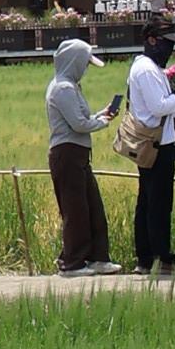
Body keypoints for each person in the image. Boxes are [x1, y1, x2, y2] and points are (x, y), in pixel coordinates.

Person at [45, 37, 117, 272]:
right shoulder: (63, 88)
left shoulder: (70, 86)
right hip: (67, 154)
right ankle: (73, 261)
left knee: (91, 206)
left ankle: (97, 257)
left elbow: (81, 120)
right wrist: (103, 122)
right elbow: (78, 124)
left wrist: (101, 114)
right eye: (85, 63)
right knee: (75, 208)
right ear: (74, 62)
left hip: (77, 153)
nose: (86, 68)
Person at [126, 23, 175, 277]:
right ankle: (161, 258)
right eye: (165, 43)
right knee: (158, 203)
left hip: (155, 142)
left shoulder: (148, 68)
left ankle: (147, 257)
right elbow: (159, 106)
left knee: (149, 200)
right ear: (151, 40)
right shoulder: (147, 70)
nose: (169, 49)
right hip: (158, 144)